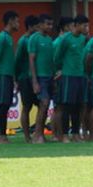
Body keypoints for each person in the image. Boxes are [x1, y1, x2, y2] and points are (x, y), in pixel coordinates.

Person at [53, 14, 89, 143]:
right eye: (84, 25)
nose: (86, 28)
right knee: (67, 106)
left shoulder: (83, 39)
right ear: (76, 25)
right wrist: (60, 70)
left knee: (78, 107)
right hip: (68, 76)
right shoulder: (66, 39)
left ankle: (75, 133)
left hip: (80, 76)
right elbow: (57, 57)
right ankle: (64, 135)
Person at [0, 10, 19, 144]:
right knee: (2, 105)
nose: (18, 24)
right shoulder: (2, 38)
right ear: (10, 21)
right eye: (17, 21)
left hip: (8, 75)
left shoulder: (9, 38)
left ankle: (3, 135)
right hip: (2, 75)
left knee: (6, 105)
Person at [28, 14, 55, 144]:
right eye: (47, 24)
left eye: (51, 24)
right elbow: (31, 59)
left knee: (46, 105)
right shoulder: (34, 39)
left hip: (50, 76)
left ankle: (41, 134)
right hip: (40, 77)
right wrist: (34, 81)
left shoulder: (49, 40)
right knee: (43, 104)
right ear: (40, 25)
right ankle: (37, 134)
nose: (50, 27)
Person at [14, 15, 39, 143]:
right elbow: (17, 61)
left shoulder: (36, 39)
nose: (39, 28)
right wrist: (16, 80)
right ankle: (27, 136)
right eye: (37, 26)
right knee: (26, 107)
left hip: (36, 77)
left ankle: (38, 134)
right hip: (25, 78)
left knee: (42, 105)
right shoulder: (23, 41)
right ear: (30, 27)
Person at [51, 16, 73, 140]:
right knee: (59, 107)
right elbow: (54, 60)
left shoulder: (61, 41)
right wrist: (58, 72)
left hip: (65, 78)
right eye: (71, 26)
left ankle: (56, 134)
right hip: (59, 79)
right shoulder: (59, 42)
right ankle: (56, 134)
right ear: (65, 27)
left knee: (60, 107)